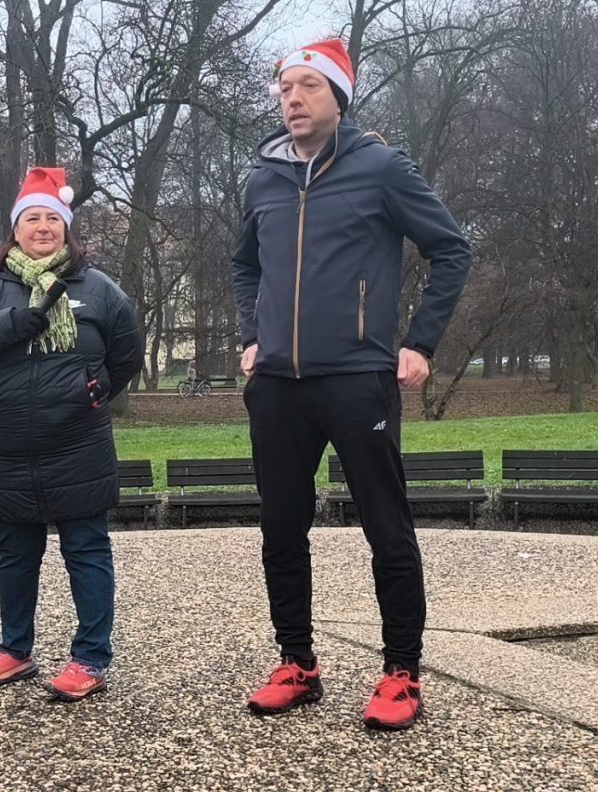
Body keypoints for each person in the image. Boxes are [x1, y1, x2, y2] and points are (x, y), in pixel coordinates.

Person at [232, 39, 472, 730]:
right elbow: (244, 265)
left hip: (358, 376)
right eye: (285, 88)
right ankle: (297, 663)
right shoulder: (262, 179)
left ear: (338, 97)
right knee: (281, 528)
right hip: (277, 383)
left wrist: (419, 342)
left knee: (385, 527)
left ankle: (401, 672)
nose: (294, 98)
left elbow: (451, 249)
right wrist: (251, 335)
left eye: (309, 86)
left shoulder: (381, 168)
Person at [0, 167, 143, 702]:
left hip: (78, 441)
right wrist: (15, 322)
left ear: (66, 228)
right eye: (32, 218)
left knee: (87, 549)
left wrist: (94, 389)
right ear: (16, 229)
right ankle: (15, 650)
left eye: (52, 219)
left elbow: (127, 352)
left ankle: (90, 657)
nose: (42, 227)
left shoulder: (97, 288)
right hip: (9, 444)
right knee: (16, 552)